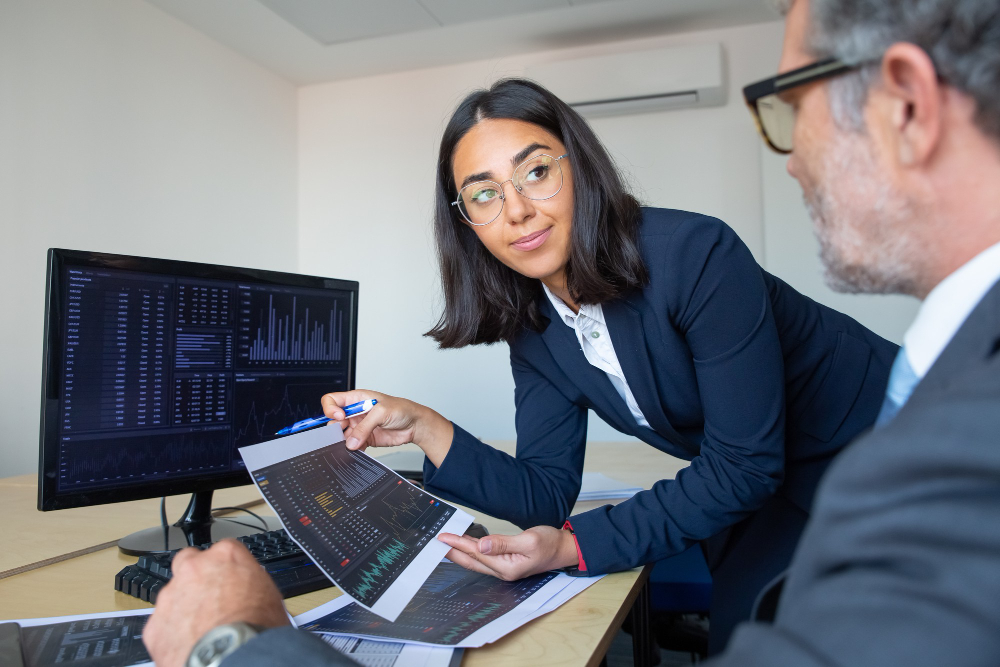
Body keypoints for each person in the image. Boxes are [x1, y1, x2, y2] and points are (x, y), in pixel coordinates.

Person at [142, 77, 892, 666]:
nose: (519, 210)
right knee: (744, 636)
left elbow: (743, 464)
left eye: (536, 171)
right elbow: (542, 488)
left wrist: (573, 544)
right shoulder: (536, 325)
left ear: (580, 168)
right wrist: (427, 428)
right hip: (762, 484)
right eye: (485, 193)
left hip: (878, 450)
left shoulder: (696, 256)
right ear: (466, 221)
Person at [702, 0, 1000, 664]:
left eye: (792, 106)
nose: (792, 163)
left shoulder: (975, 432)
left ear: (907, 107)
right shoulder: (959, 365)